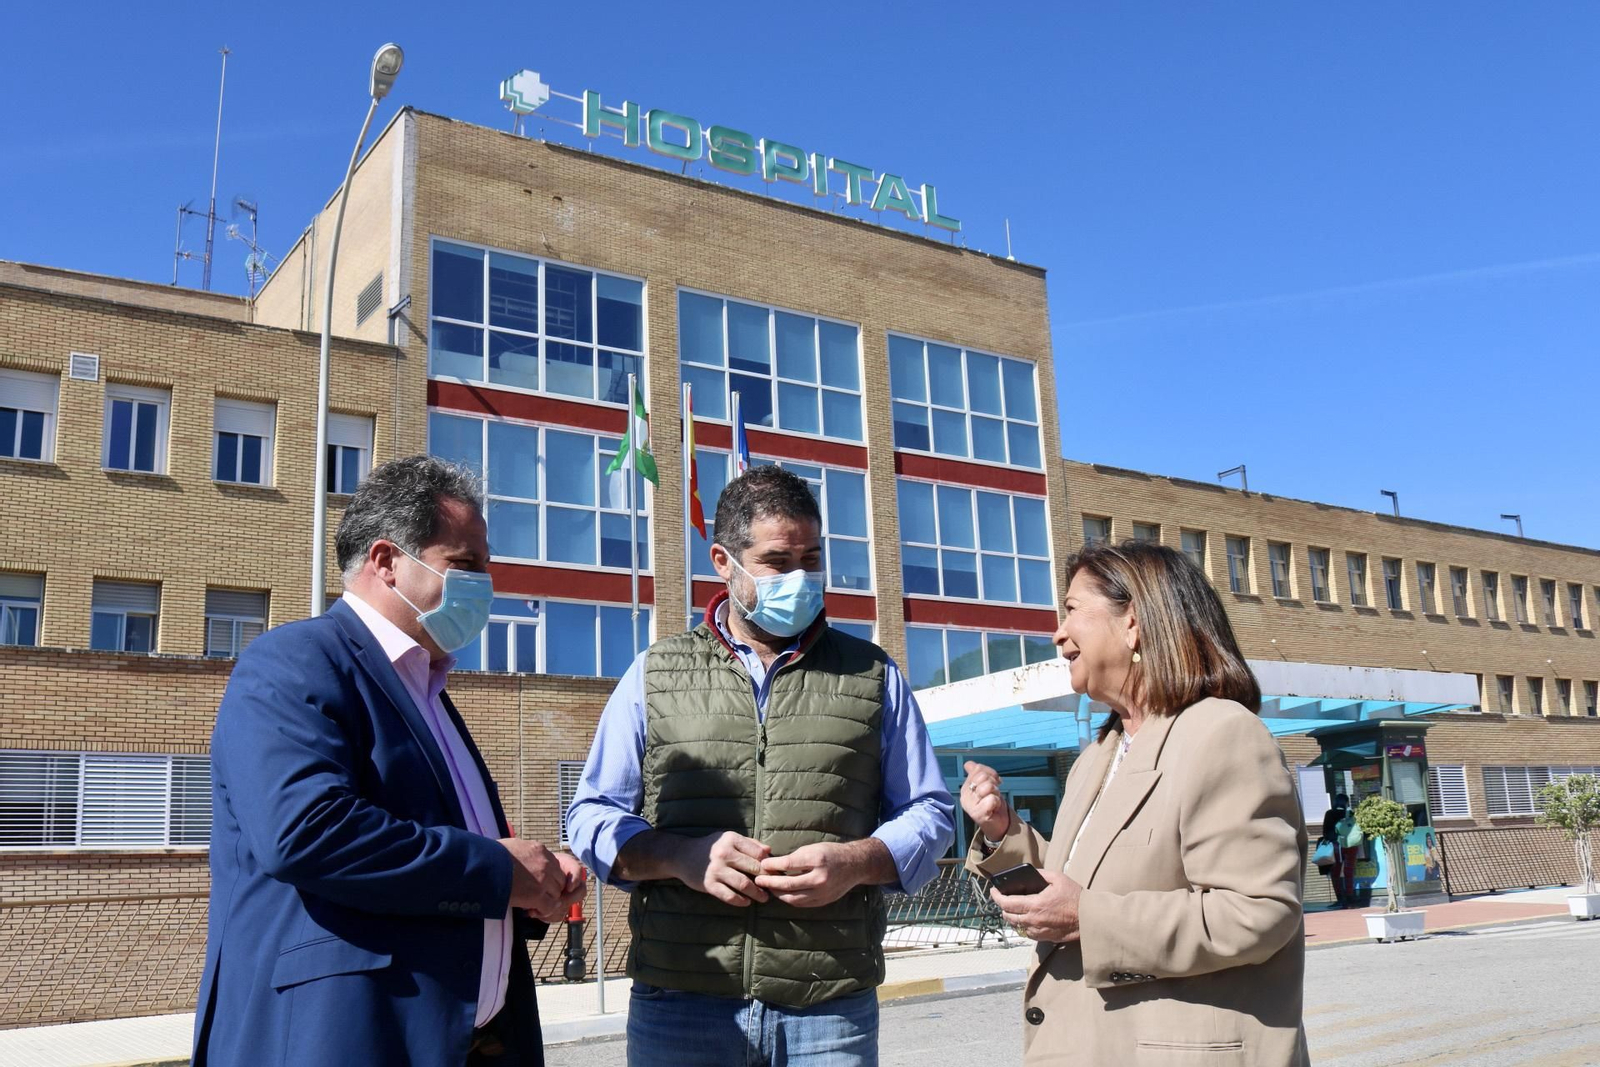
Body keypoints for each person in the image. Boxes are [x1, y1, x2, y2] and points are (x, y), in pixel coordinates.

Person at [194, 457, 586, 1067]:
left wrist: (532, 889)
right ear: (386, 561)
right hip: (348, 1038)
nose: (486, 585)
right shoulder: (295, 661)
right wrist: (500, 873)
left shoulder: (429, 691)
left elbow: (438, 867)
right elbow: (306, 833)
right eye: (466, 565)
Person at [567, 465, 955, 1067]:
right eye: (778, 561)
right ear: (724, 561)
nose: (800, 578)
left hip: (829, 1006)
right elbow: (591, 816)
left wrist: (856, 863)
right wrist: (680, 857)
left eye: (812, 558)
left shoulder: (874, 675)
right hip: (682, 1002)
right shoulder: (653, 674)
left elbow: (930, 811)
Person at [962, 541, 1309, 1066]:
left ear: (1134, 623)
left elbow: (1258, 912)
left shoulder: (1223, 734)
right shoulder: (1099, 754)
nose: (1058, 633)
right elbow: (1086, 878)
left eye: (1073, 610)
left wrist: (1088, 917)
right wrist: (1003, 831)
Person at [1317, 792, 1357, 907]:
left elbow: (1325, 831)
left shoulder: (1330, 813)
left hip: (1336, 845)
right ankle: (1350, 896)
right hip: (1351, 845)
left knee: (1335, 872)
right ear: (1346, 802)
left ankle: (1340, 898)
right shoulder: (1350, 813)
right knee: (1349, 871)